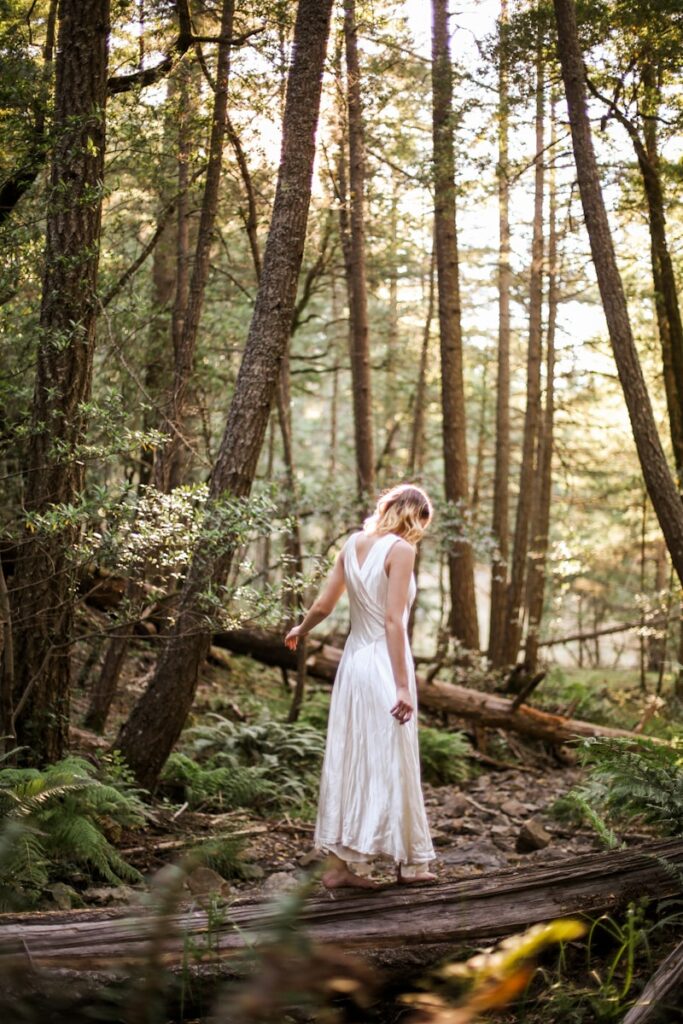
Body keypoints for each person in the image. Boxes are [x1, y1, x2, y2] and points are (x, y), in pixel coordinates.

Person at [284, 484, 437, 888]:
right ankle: (402, 865)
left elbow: (323, 605)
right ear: (415, 516)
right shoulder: (401, 550)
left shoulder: (353, 543)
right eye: (423, 521)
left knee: (354, 755)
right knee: (387, 757)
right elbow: (393, 621)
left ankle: (343, 866)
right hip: (383, 664)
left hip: (353, 664)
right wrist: (403, 686)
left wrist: (302, 627)